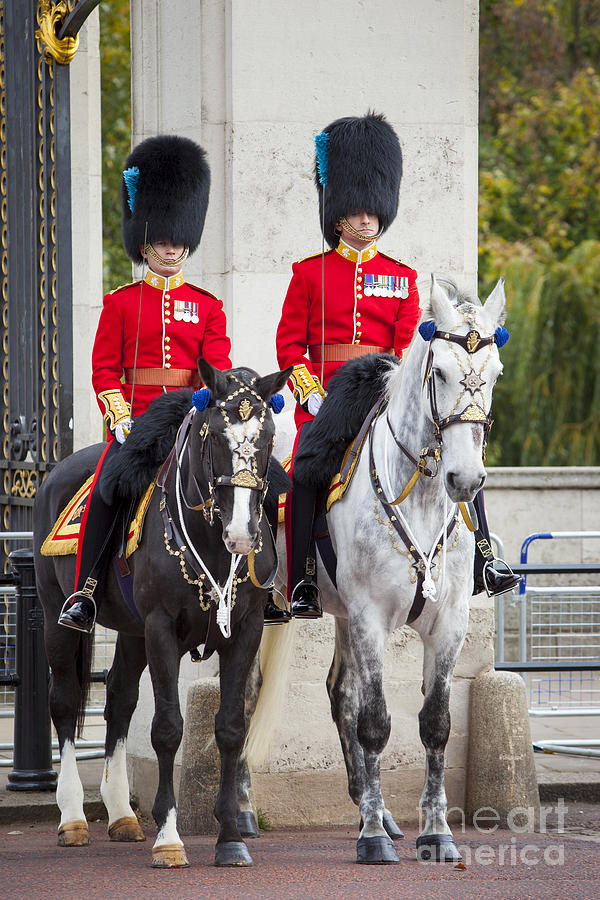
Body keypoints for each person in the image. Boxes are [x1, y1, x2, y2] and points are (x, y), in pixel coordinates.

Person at [276, 113, 519, 619]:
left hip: (386, 393)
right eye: (356, 212)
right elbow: (290, 346)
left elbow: (406, 348)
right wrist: (309, 391)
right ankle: (300, 579)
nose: (366, 221)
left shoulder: (402, 277)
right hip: (329, 397)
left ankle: (485, 558)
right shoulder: (309, 274)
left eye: (373, 212)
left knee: (460, 453)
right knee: (305, 471)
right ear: (337, 213)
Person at [59, 135, 231, 632]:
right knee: (106, 490)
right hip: (135, 425)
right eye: (163, 239)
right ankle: (85, 591)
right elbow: (105, 371)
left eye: (179, 240)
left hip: (188, 421)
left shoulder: (207, 306)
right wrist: (119, 417)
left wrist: (205, 403)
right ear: (145, 241)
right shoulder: (120, 303)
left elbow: (215, 364)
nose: (172, 248)